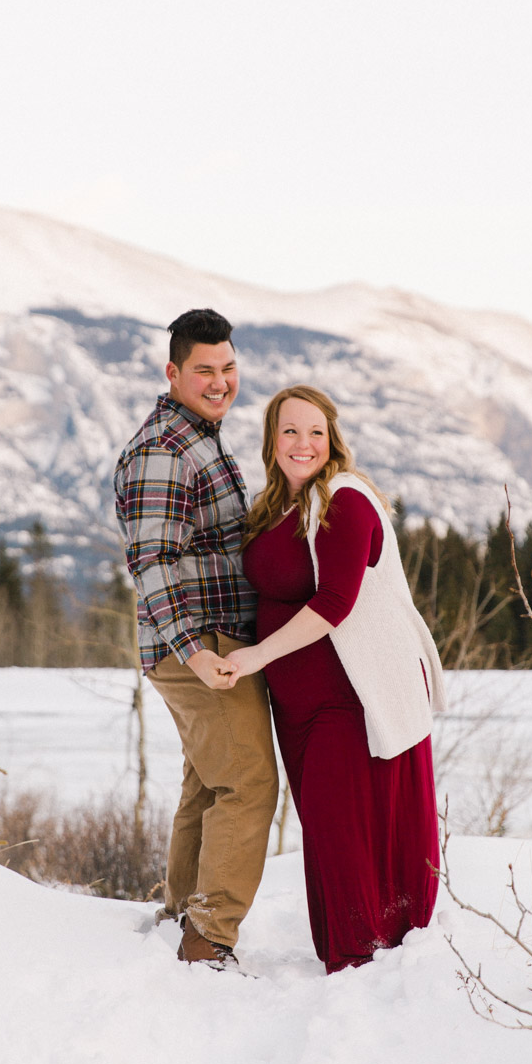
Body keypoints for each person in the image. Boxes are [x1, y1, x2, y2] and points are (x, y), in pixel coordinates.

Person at [225, 385, 444, 974]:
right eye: (290, 431)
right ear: (272, 440)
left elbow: (335, 603)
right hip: (294, 703)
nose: (303, 443)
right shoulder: (273, 507)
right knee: (323, 831)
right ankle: (347, 952)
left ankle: (364, 961)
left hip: (347, 696)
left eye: (315, 432)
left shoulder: (345, 500)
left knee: (344, 826)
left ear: (333, 439)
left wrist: (254, 657)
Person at [114, 308, 278, 970]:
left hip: (209, 641)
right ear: (173, 372)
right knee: (248, 782)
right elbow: (151, 561)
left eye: (229, 367)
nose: (220, 382)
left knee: (210, 783)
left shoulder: (198, 437)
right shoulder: (164, 450)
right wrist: (197, 652)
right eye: (205, 370)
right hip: (196, 647)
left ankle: (183, 914)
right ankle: (208, 939)